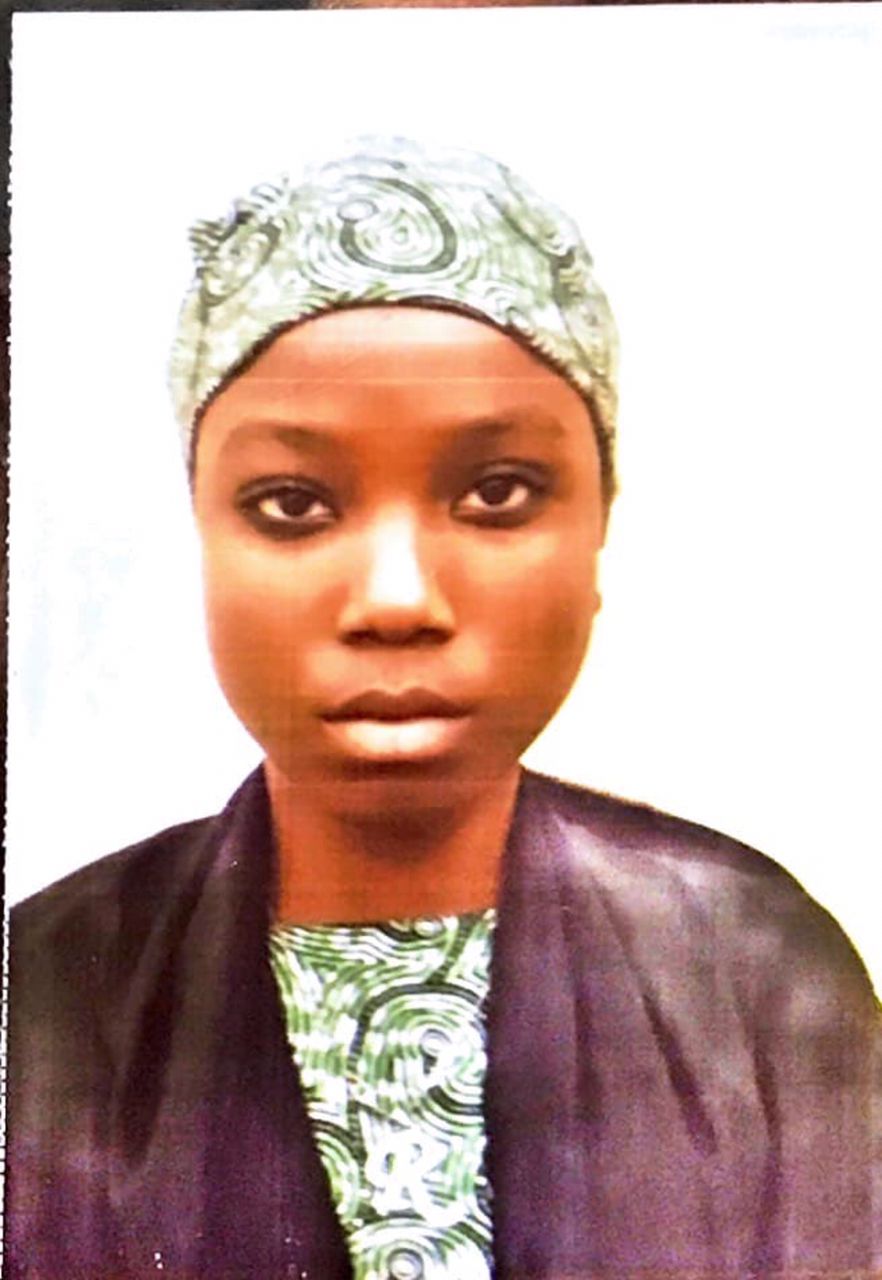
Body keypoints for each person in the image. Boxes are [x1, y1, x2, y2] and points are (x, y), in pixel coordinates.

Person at [5, 137, 879, 1280]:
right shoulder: (45, 989)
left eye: (497, 492)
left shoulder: (754, 963)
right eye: (292, 503)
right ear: (203, 538)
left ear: (599, 531)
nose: (397, 598)